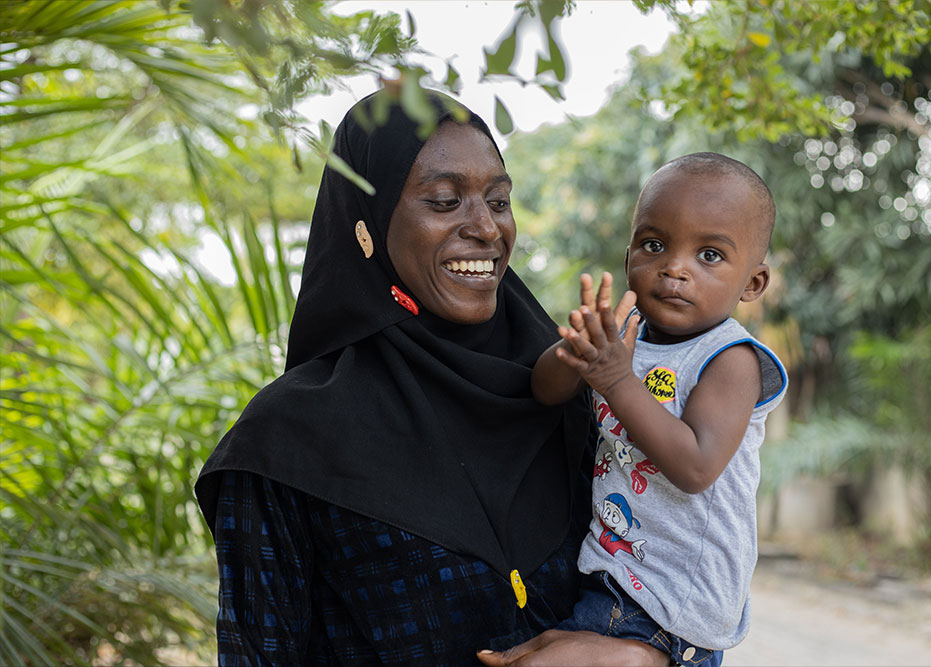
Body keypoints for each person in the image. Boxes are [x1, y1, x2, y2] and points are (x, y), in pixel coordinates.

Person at [195, 87, 666, 666]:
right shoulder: (285, 440)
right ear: (366, 227)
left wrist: (645, 658)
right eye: (444, 201)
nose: (488, 230)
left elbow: (680, 580)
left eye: (498, 200)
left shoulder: (567, 391)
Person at [526, 153, 788, 666]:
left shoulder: (731, 359)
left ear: (752, 283)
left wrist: (616, 378)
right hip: (613, 573)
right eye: (654, 245)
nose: (674, 267)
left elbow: (695, 467)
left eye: (709, 255)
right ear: (628, 261)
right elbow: (543, 391)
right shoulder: (624, 337)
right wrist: (579, 350)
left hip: (673, 606)